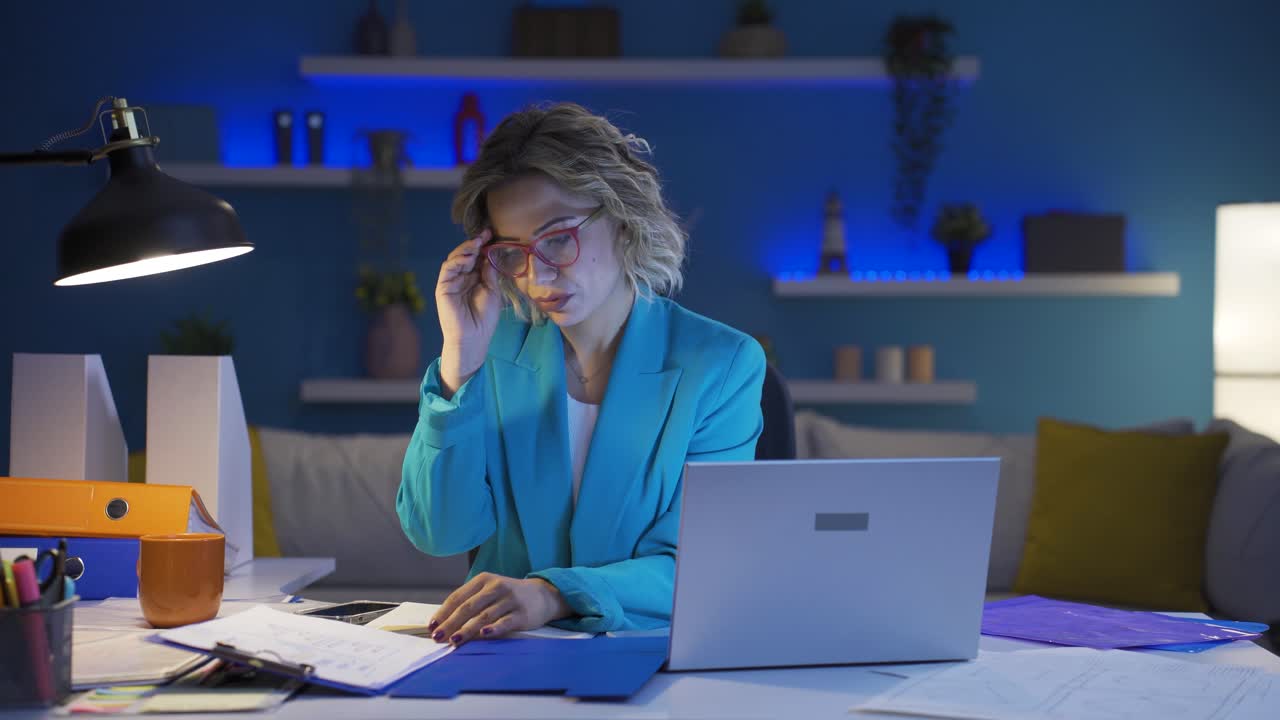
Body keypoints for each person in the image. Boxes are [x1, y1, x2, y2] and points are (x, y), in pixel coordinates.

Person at [397, 103, 765, 645]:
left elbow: (695, 566)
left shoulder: (721, 364)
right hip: (502, 656)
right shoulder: (490, 351)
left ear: (621, 217)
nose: (537, 273)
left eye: (557, 238)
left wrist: (552, 594)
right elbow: (439, 532)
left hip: (647, 655)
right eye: (513, 252)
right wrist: (457, 366)